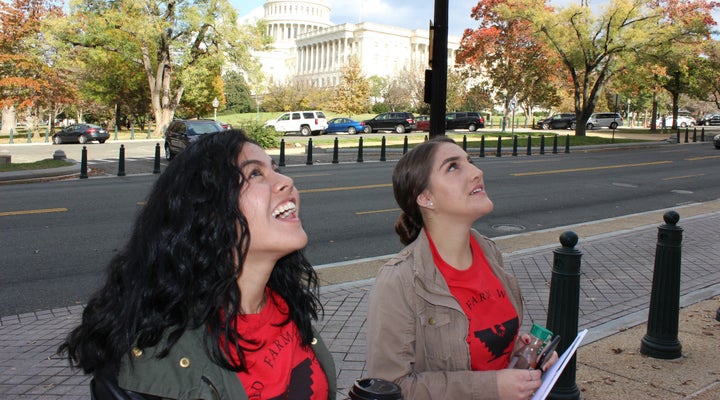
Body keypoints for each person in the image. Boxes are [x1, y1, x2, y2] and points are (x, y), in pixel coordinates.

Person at [58, 129, 336, 400]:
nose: (286, 180)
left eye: (275, 168)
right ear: (209, 213)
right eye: (255, 173)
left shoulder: (286, 306)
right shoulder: (157, 364)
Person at [366, 136, 555, 400]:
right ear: (426, 198)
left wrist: (522, 354)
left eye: (470, 162)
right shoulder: (400, 280)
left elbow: (475, 350)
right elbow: (389, 386)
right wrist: (492, 388)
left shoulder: (489, 252)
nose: (477, 172)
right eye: (453, 167)